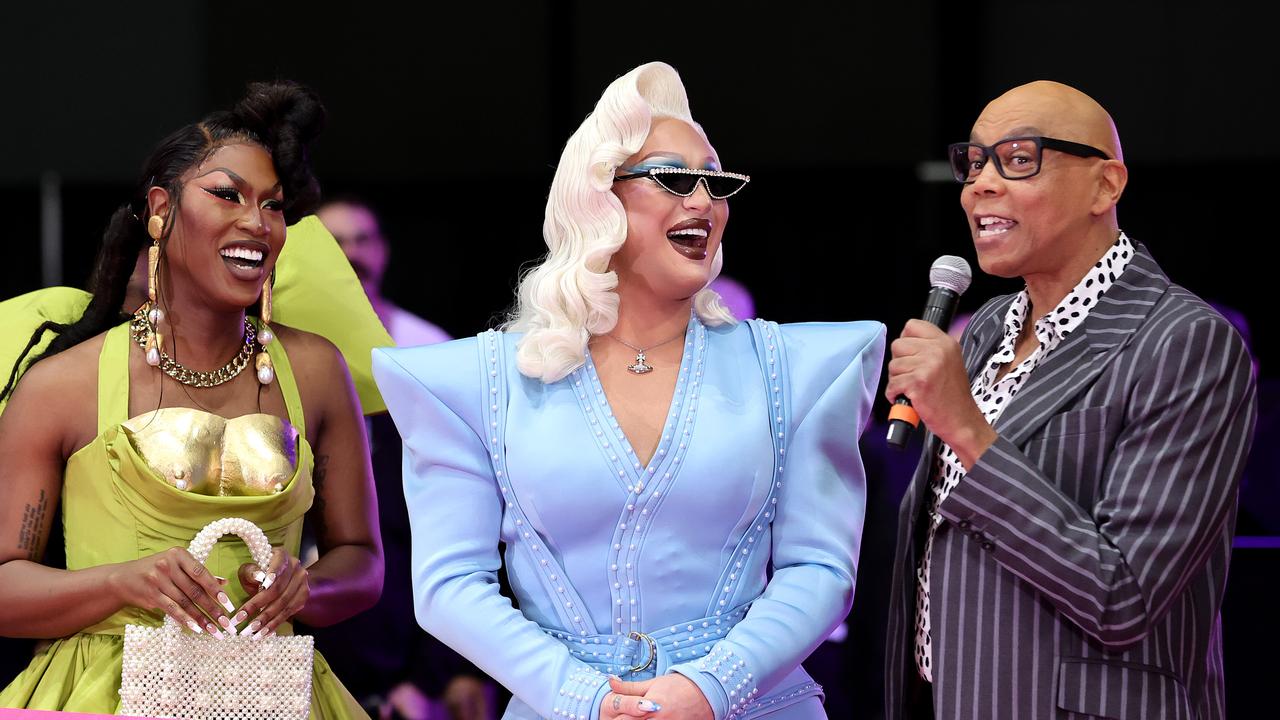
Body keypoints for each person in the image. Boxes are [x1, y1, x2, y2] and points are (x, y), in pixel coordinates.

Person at [372, 61, 884, 720]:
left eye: (715, 182)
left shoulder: (796, 368)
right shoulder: (479, 382)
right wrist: (585, 697)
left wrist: (713, 684)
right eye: (673, 178)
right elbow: (449, 586)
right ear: (596, 197)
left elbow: (822, 570)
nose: (703, 202)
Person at [0, 81, 385, 718]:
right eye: (228, 195)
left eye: (273, 205)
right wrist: (124, 581)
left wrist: (306, 587)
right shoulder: (62, 385)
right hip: (107, 697)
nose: (256, 223)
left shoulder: (317, 370)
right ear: (161, 209)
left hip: (272, 693)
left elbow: (365, 562)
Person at [882, 81, 1257, 719]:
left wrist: (969, 431)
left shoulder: (1183, 341)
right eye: (973, 164)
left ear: (1106, 185)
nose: (981, 185)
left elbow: (1124, 594)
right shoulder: (988, 330)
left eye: (1018, 159)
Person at [318, 198, 450, 346]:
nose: (352, 253)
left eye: (363, 240)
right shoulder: (291, 344)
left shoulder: (429, 344)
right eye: (335, 241)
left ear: (383, 250)